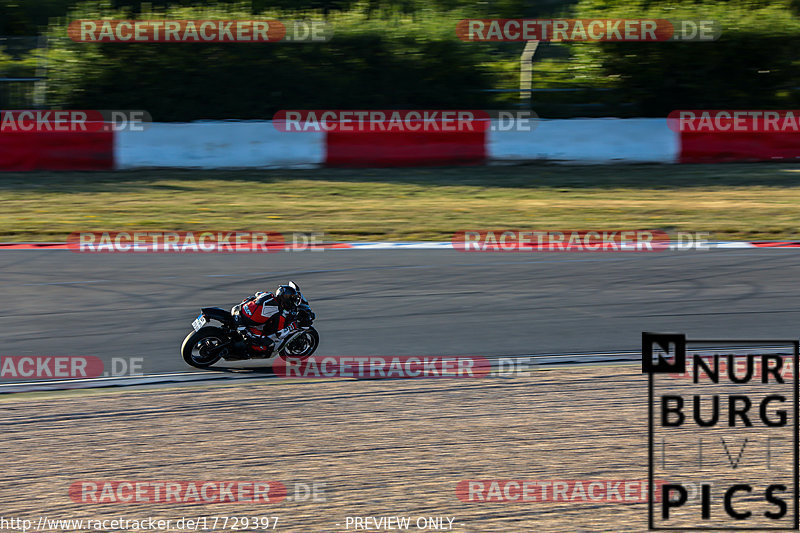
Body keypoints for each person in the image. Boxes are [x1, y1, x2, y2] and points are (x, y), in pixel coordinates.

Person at [231, 284, 306, 353]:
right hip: (243, 325)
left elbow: (257, 294)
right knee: (268, 345)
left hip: (238, 309)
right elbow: (280, 334)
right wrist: (294, 325)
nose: (293, 300)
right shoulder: (278, 312)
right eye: (291, 298)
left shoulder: (268, 294)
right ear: (285, 299)